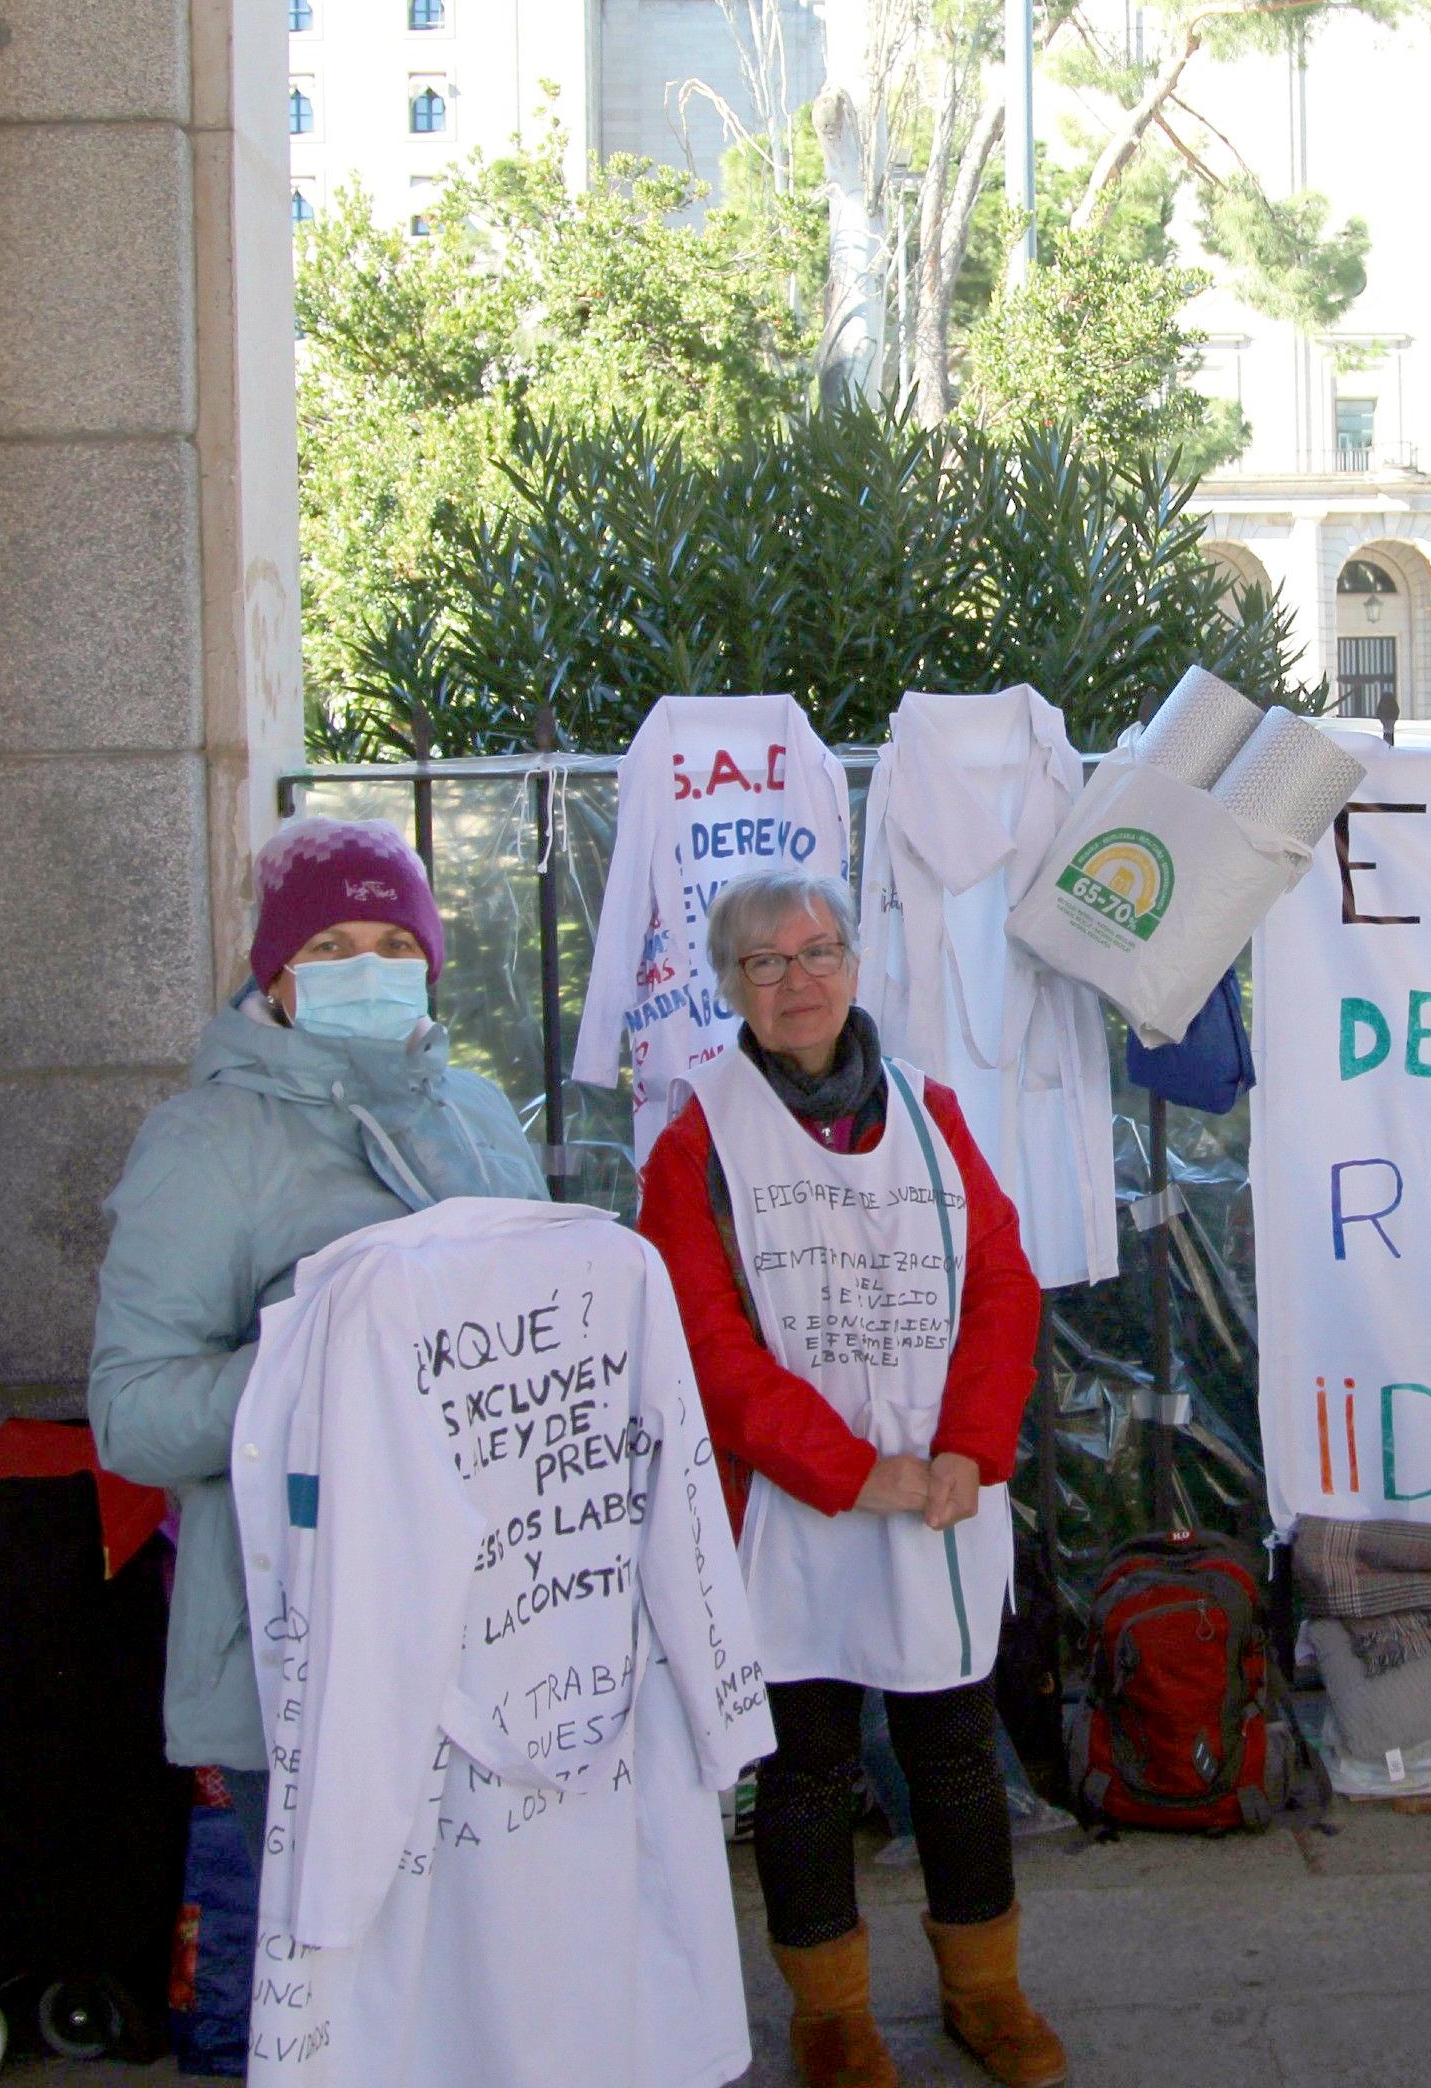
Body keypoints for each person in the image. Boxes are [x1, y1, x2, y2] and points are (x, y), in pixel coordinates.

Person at [637, 871, 1064, 2088]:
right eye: (764, 964)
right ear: (730, 988)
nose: (799, 980)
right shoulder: (697, 1139)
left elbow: (1002, 1284)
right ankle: (831, 2015)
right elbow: (702, 1346)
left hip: (939, 1494)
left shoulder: (929, 1111)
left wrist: (969, 1450)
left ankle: (986, 1990)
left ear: (856, 964)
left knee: (956, 1755)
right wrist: (846, 1469)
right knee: (809, 1770)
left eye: (817, 951)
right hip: (791, 1505)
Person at [88, 815, 546, 1852]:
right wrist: (323, 1367)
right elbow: (133, 1417)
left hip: (499, 1643)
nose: (368, 969)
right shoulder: (206, 1143)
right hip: (309, 1656)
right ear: (277, 976)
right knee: (338, 1994)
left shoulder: (475, 1112)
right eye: (329, 948)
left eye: (394, 948)